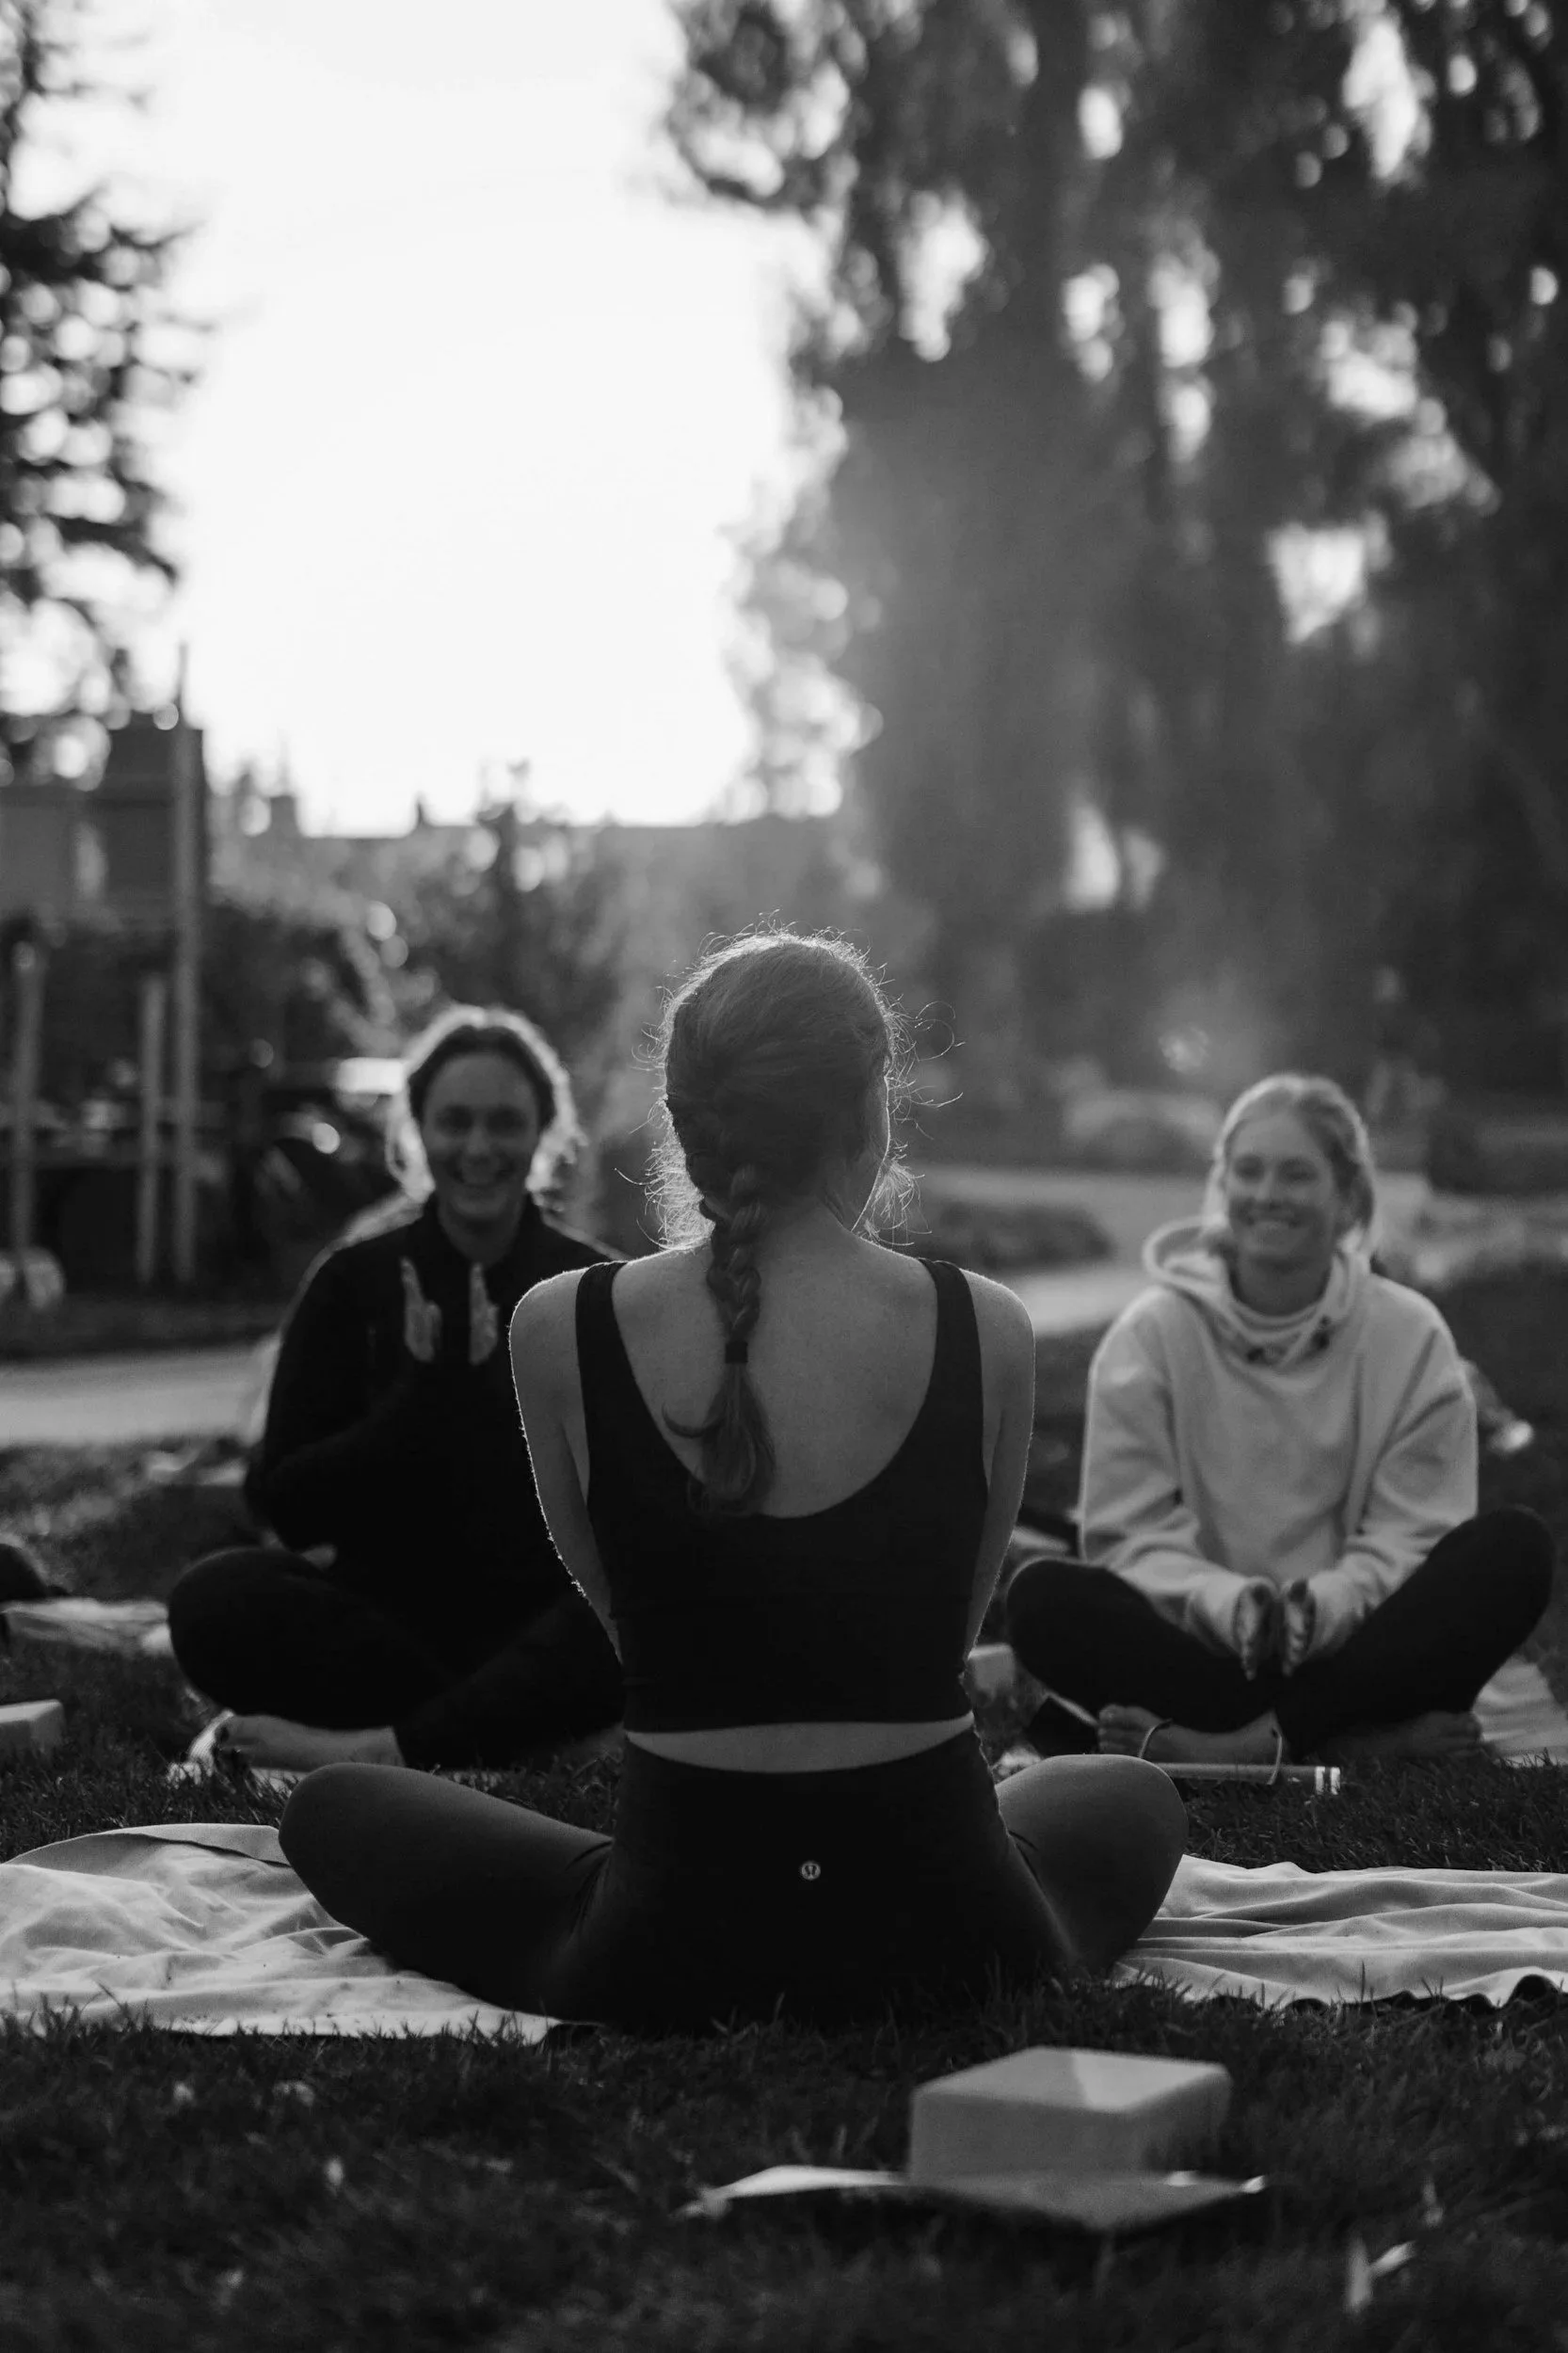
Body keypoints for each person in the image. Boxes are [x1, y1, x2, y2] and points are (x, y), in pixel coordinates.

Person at [277, 932, 1186, 2030]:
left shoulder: (557, 1325)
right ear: (868, 1113)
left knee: (333, 1809)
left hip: (667, 1938)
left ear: (685, 1119)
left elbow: (630, 1630)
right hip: (957, 1926)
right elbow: (941, 1637)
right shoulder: (985, 1326)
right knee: (1127, 1791)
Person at [1007, 1073, 1554, 1769]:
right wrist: (1232, 1608)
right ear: (1222, 1185)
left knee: (1514, 1550)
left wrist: (1324, 1608)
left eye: (1297, 1174)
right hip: (1207, 1648)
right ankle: (1348, 1741)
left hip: (1366, 1640)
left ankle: (1248, 1744)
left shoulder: (1410, 1335)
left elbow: (1417, 1530)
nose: (1267, 1195)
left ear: (1348, 1196)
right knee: (1043, 1599)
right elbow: (1130, 1532)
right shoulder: (1150, 1336)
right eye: (1249, 1171)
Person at [168, 1005, 623, 1773]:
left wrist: (490, 1398)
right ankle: (492, 1725)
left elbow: (626, 1516)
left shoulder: (594, 1289)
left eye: (505, 1123)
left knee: (641, 1610)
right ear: (417, 1132)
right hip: (388, 1628)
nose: (478, 1148)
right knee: (211, 1600)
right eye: (454, 1122)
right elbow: (280, 1500)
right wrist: (417, 1406)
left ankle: (395, 1745)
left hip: (536, 1621)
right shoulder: (352, 1283)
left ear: (544, 1134)